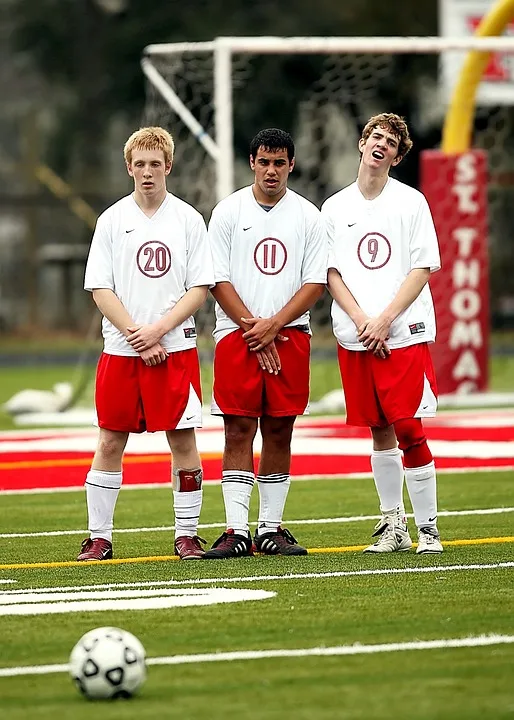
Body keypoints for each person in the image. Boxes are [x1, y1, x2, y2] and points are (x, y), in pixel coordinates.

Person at [77, 126, 214, 562]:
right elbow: (100, 288)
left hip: (174, 349)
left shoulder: (189, 219)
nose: (148, 172)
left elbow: (199, 288)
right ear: (128, 167)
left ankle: (187, 536)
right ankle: (99, 538)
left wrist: (159, 331)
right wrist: (138, 335)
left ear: (169, 166)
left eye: (156, 164)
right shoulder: (112, 220)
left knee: (183, 441)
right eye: (140, 164)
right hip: (122, 351)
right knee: (110, 441)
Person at [323, 113, 443, 555]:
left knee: (409, 427)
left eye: (390, 141)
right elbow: (329, 272)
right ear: (361, 143)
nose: (381, 144)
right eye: (376, 135)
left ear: (396, 155)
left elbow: (422, 267)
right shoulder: (334, 208)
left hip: (403, 331)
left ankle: (428, 528)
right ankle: (393, 526)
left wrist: (385, 318)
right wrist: (360, 319)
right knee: (378, 429)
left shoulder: (411, 203)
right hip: (357, 333)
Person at [204, 128, 328, 559]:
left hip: (291, 334)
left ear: (291, 165)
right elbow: (216, 278)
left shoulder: (309, 216)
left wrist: (274, 325)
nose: (271, 170)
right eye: (264, 161)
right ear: (252, 163)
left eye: (280, 162)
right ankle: (236, 531)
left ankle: (270, 529)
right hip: (236, 335)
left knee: (279, 428)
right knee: (237, 427)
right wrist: (254, 328)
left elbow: (315, 282)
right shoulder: (227, 212)